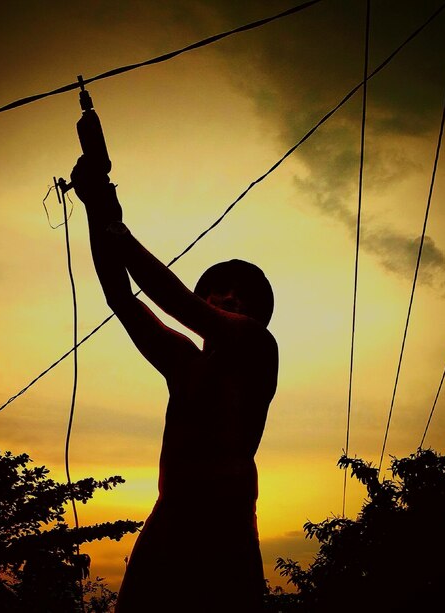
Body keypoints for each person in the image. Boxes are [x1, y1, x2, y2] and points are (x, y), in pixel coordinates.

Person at [71, 154, 278, 612]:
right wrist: (95, 203)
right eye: (220, 291)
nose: (230, 297)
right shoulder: (184, 361)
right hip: (167, 530)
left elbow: (177, 302)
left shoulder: (259, 346)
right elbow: (120, 296)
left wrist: (115, 224)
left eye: (243, 295)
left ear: (257, 314)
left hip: (227, 536)